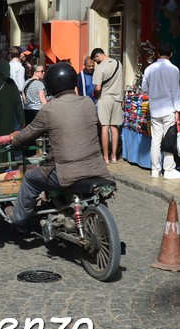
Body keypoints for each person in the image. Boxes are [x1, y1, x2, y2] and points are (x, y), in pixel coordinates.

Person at [6, 62, 111, 228]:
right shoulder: (88, 103)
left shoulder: (49, 109)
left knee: (30, 178)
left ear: (51, 86)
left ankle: (18, 218)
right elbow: (95, 128)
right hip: (96, 167)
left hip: (66, 171)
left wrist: (14, 139)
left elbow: (27, 135)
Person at [140, 43, 180, 179]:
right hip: (168, 109)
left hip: (155, 109)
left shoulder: (149, 69)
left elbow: (144, 88)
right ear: (171, 54)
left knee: (156, 140)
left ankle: (155, 169)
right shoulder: (173, 69)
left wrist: (154, 92)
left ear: (158, 53)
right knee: (169, 139)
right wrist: (177, 110)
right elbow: (176, 91)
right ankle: (169, 169)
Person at [91, 47, 124, 164]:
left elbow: (98, 88)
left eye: (95, 60)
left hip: (105, 98)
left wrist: (94, 93)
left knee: (104, 127)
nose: (96, 62)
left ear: (97, 56)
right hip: (117, 98)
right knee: (114, 127)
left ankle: (105, 157)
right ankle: (114, 156)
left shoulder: (100, 68)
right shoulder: (118, 64)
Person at [0, 59, 25, 136]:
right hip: (8, 118)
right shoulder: (11, 84)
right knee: (6, 138)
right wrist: (21, 119)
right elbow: (18, 103)